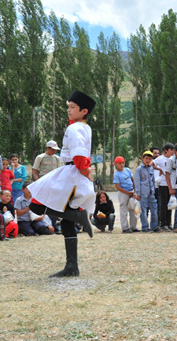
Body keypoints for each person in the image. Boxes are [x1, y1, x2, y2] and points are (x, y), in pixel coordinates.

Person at [28, 90, 96, 278]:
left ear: (83, 111)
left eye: (72, 107)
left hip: (72, 173)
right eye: (68, 107)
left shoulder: (74, 129)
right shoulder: (85, 127)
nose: (69, 110)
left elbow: (80, 154)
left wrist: (84, 170)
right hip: (75, 172)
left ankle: (78, 215)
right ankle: (72, 266)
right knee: (65, 221)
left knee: (36, 204)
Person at [134, 150, 159, 232]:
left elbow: (152, 180)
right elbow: (137, 182)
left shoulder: (151, 168)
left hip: (151, 193)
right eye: (146, 158)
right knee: (143, 211)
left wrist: (154, 190)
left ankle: (154, 226)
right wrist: (138, 193)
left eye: (150, 159)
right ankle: (145, 227)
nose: (148, 160)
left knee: (154, 210)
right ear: (143, 158)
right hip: (143, 193)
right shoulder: (139, 169)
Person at [113, 156, 139, 234]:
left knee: (133, 209)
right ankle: (125, 227)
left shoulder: (127, 170)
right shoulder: (116, 174)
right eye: (119, 163)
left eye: (123, 163)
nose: (121, 165)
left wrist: (134, 191)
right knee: (123, 210)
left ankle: (133, 226)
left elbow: (132, 180)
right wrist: (127, 193)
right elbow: (118, 186)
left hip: (131, 191)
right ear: (116, 164)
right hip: (123, 193)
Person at [155, 143, 174, 231]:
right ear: (166, 150)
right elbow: (152, 163)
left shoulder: (172, 159)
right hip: (163, 184)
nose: (172, 152)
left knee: (170, 205)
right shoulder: (161, 158)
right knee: (163, 204)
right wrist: (159, 169)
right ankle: (163, 224)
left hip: (171, 184)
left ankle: (169, 223)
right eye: (171, 150)